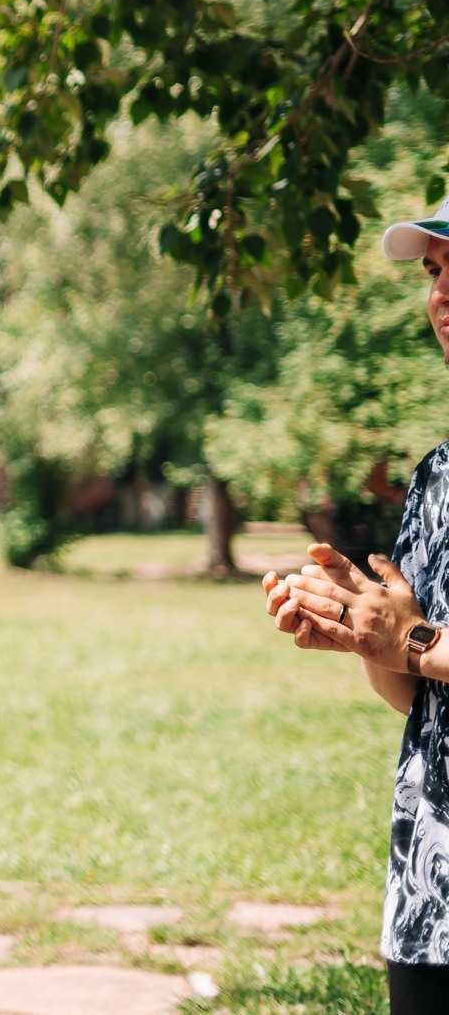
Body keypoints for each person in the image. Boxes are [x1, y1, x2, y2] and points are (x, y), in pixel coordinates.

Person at [264, 197, 449, 1014]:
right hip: (431, 892)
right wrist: (365, 630)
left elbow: (425, 645)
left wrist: (410, 636)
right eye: (437, 272)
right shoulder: (438, 472)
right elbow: (414, 690)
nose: (440, 294)